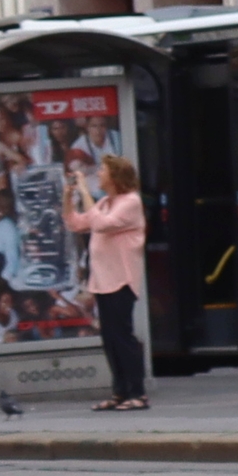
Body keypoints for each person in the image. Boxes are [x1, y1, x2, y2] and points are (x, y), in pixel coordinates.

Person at [64, 152, 148, 410]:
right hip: (102, 280)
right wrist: (68, 197)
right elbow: (76, 223)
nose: (98, 174)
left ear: (115, 176)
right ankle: (120, 391)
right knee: (110, 337)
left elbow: (101, 225)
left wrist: (86, 193)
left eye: (102, 170)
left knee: (123, 335)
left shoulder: (130, 202)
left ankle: (138, 392)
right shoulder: (105, 203)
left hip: (121, 279)